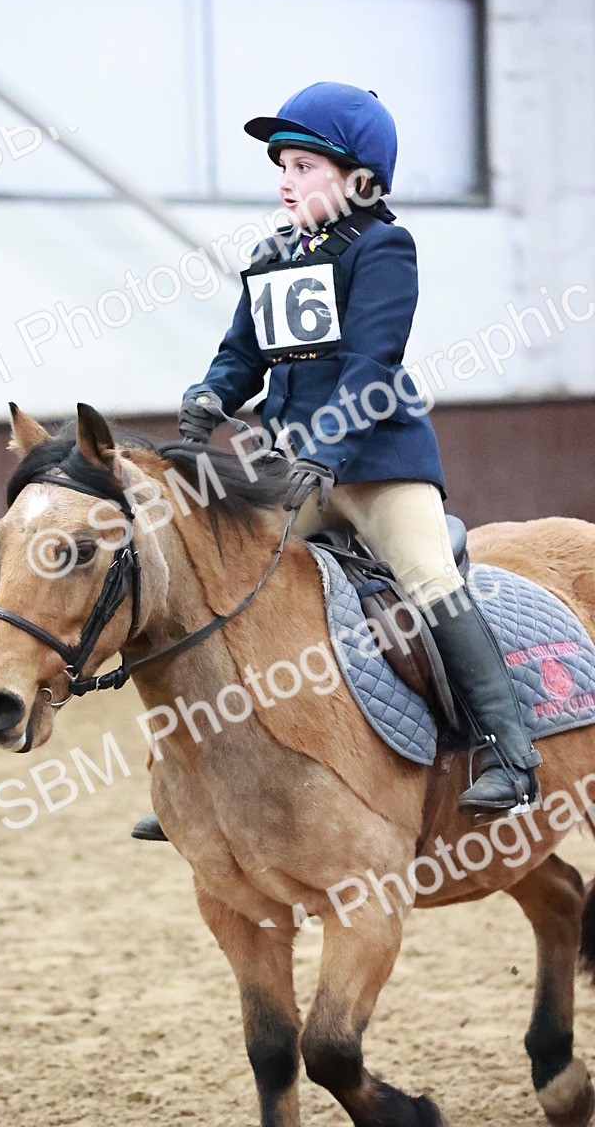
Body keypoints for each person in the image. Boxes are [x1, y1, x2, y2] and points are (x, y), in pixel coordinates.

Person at [132, 82, 540, 842]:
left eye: (303, 166)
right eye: (280, 165)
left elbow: (371, 362)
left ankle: (509, 753)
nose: (284, 181)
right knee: (221, 589)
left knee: (427, 579)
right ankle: (196, 770)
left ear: (358, 179)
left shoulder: (383, 247)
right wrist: (210, 393)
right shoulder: (274, 253)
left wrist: (326, 447)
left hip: (378, 465)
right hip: (299, 468)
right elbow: (243, 351)